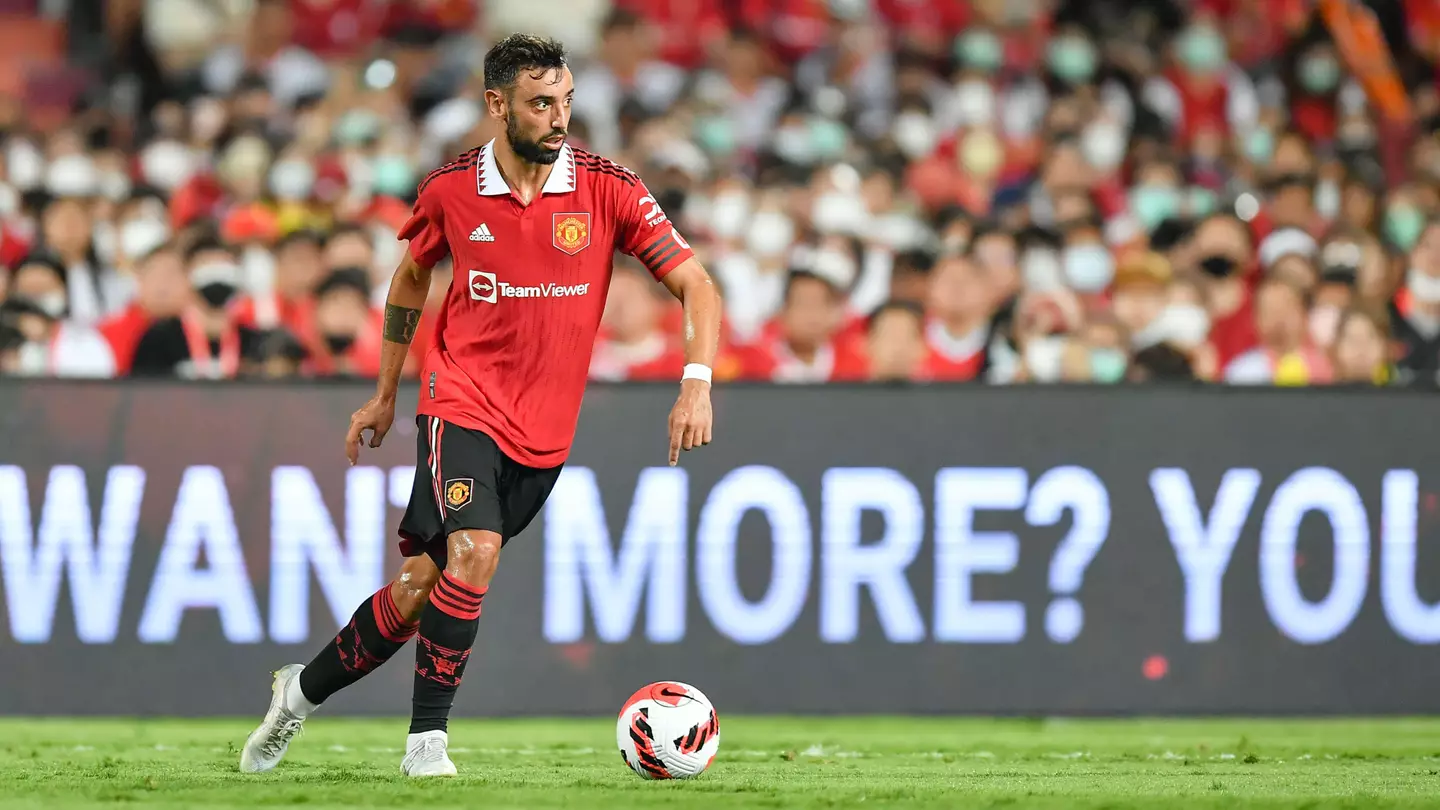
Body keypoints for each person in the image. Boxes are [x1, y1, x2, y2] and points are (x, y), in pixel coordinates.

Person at [239, 34, 721, 778]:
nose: (557, 118)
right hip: (459, 400)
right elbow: (408, 280)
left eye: (565, 101)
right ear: (497, 105)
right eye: (539, 103)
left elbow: (697, 284)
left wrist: (696, 380)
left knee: (419, 589)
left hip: (544, 433)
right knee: (476, 552)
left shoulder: (609, 187)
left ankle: (295, 697)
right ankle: (426, 744)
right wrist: (386, 391)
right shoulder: (451, 190)